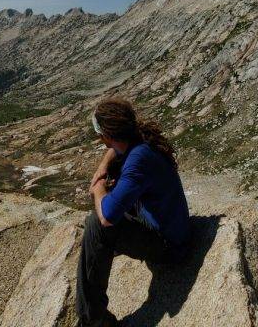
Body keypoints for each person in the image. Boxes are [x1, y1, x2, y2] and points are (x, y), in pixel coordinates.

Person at [76, 97, 190, 327]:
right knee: (101, 221)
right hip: (170, 231)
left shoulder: (138, 161)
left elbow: (107, 218)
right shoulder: (138, 141)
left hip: (169, 247)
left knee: (96, 224)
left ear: (106, 137)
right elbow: (114, 153)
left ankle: (93, 321)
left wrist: (98, 189)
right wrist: (103, 166)